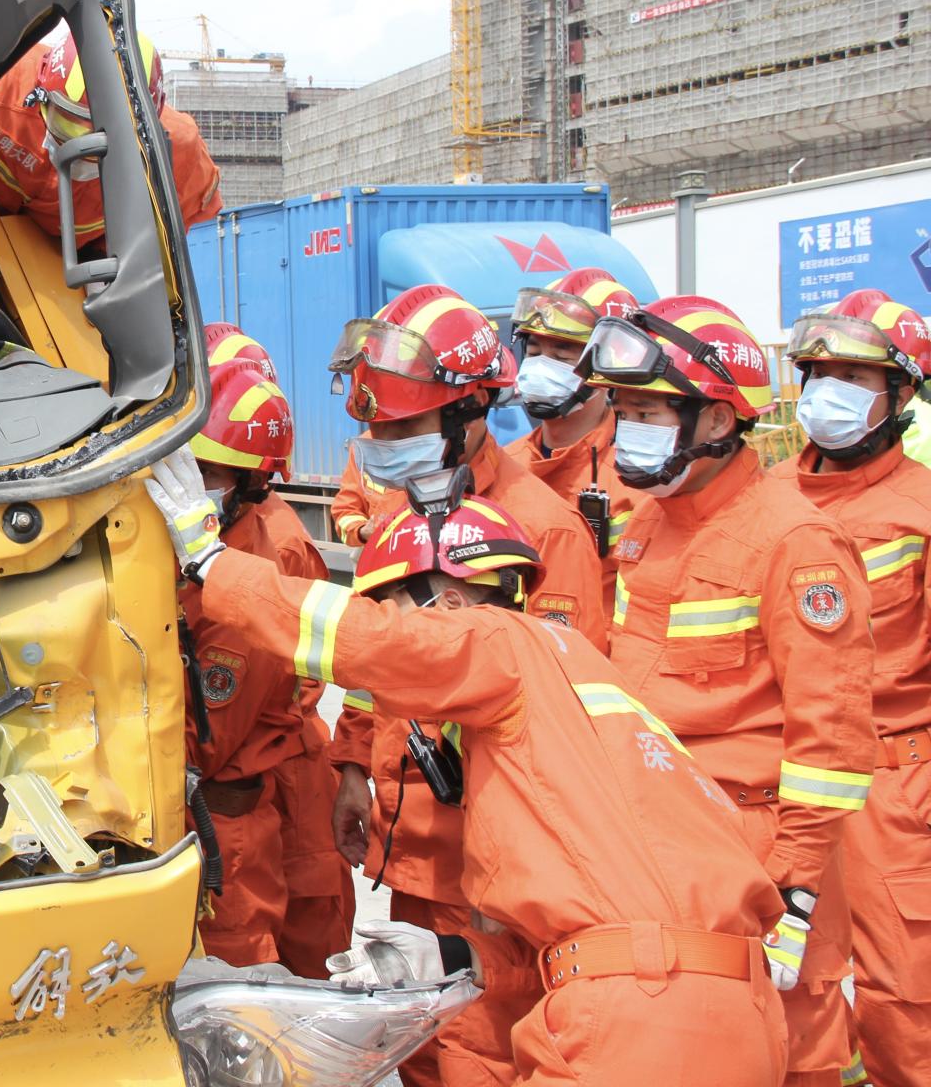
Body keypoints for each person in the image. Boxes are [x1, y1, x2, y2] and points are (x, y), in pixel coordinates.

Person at [145, 448, 791, 1086]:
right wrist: (455, 954)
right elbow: (600, 932)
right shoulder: (582, 694)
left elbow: (370, 642)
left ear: (449, 605)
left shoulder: (499, 640)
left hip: (632, 1018)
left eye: (394, 605)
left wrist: (213, 562)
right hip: (730, 1011)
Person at [581, 294, 875, 1087]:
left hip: (762, 856)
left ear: (716, 422)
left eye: (648, 410)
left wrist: (799, 888)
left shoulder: (795, 541)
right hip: (663, 845)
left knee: (796, 1054)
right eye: (624, 409)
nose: (625, 429)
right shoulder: (649, 520)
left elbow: (835, 735)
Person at [323, 284, 606, 1087]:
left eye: (402, 429)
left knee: (487, 1057)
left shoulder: (541, 531)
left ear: (469, 416)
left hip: (492, 878)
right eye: (373, 430)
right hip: (408, 853)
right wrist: (352, 770)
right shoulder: (402, 515)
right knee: (420, 1056)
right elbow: (374, 657)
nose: (381, 447)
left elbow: (567, 723)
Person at [769, 290, 931, 1085]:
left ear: (901, 395)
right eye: (819, 372)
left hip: (896, 799)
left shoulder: (921, 511)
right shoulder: (763, 501)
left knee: (905, 1008)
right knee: (791, 1002)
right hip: (783, 793)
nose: (828, 391)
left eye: (854, 376)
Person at [181, 324, 353, 975]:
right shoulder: (204, 551)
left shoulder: (261, 564)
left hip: (234, 815)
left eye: (204, 473)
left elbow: (205, 735)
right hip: (220, 813)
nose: (186, 484)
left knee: (263, 984)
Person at [0, 32, 222, 248]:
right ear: (41, 94)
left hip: (70, 269)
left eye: (99, 143)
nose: (77, 152)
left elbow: (169, 242)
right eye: (66, 124)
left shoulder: (177, 155)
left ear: (144, 132)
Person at [503, 268, 645, 612]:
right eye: (534, 349)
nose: (541, 365)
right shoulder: (506, 466)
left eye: (563, 353)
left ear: (609, 365)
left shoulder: (638, 477)